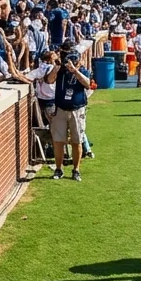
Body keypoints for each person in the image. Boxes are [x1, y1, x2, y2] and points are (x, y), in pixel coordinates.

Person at [49, 41, 91, 181]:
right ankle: (59, 169)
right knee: (58, 141)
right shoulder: (60, 70)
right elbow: (49, 80)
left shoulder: (82, 69)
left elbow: (87, 83)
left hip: (77, 110)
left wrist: (75, 71)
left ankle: (76, 170)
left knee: (76, 141)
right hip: (60, 109)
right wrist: (57, 67)